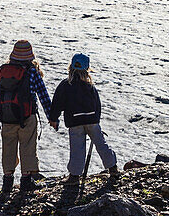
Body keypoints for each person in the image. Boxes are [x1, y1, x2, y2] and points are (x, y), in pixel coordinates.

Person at [0, 40, 52, 194]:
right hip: (27, 116)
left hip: (7, 117)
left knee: (8, 147)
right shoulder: (32, 71)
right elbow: (43, 95)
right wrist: (52, 117)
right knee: (27, 146)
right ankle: (26, 181)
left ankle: (7, 182)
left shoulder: (5, 70)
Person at [49, 53, 119, 184]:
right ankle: (113, 168)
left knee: (77, 148)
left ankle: (74, 176)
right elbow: (97, 104)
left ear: (70, 67)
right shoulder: (90, 86)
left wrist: (53, 118)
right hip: (92, 120)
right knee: (101, 144)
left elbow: (57, 103)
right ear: (87, 69)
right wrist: (96, 119)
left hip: (75, 121)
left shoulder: (65, 85)